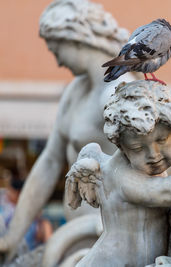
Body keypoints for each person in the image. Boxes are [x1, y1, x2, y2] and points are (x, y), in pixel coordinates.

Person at [0, 0, 137, 258]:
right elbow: (49, 163)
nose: (59, 62)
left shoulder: (117, 92)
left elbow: (147, 168)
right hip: (77, 237)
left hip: (107, 239)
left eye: (56, 50)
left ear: (75, 39)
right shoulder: (75, 91)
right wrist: (11, 237)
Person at [66, 80, 171, 267]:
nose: (153, 155)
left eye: (162, 140)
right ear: (121, 146)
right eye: (138, 148)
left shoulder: (147, 171)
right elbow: (163, 192)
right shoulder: (123, 177)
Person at [0, 174, 52, 250]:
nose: (8, 194)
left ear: (19, 193)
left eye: (11, 191)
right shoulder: (6, 211)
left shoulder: (35, 218)